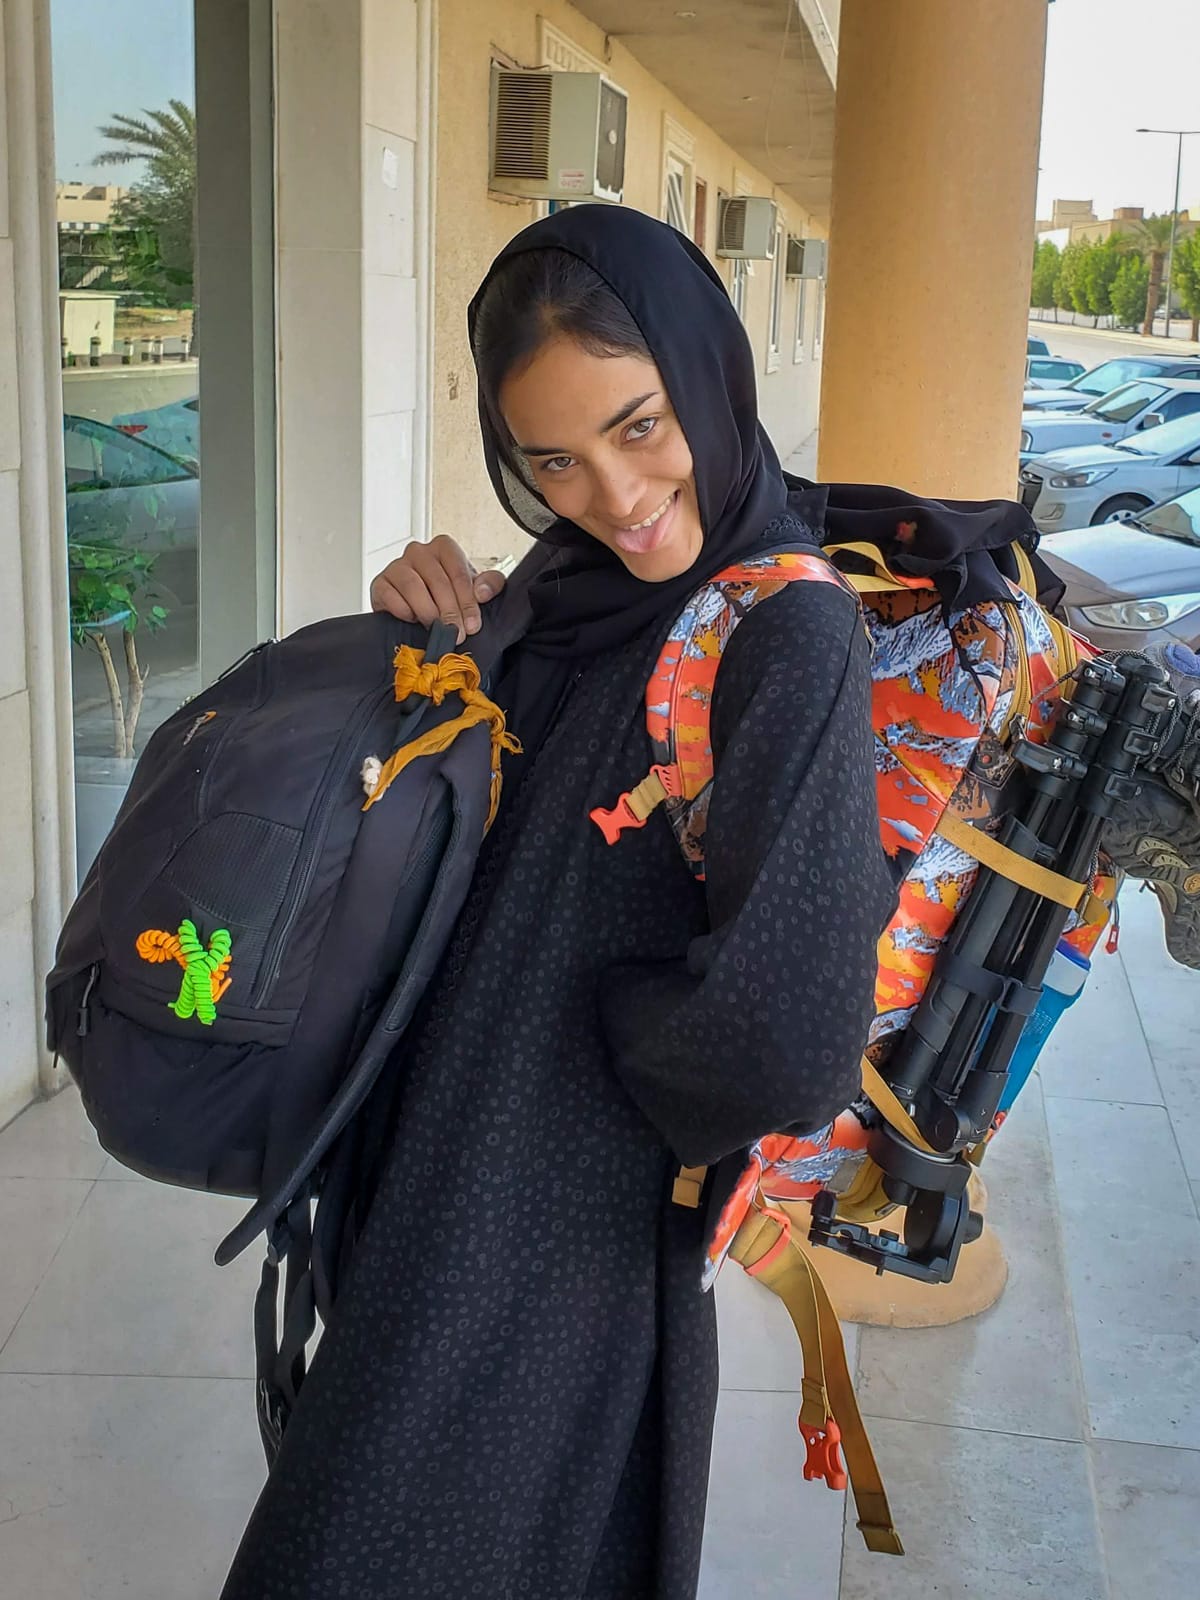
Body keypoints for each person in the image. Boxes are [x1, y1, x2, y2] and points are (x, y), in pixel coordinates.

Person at [220, 205, 894, 1600]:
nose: (618, 493)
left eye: (642, 426)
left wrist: (609, 1029)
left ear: (708, 372)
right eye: (556, 461)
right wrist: (433, 642)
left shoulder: (789, 632)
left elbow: (792, 1036)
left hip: (555, 1242)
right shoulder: (562, 591)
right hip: (429, 1184)